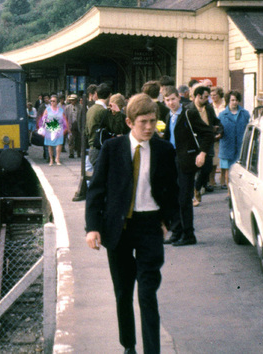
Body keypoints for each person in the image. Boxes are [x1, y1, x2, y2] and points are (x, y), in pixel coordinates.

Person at [85, 93, 179, 354]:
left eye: (152, 121)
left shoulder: (163, 150)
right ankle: (128, 345)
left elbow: (173, 190)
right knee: (123, 293)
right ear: (129, 122)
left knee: (147, 294)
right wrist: (92, 227)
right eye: (143, 122)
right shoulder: (112, 149)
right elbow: (96, 191)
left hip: (150, 227)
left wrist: (167, 221)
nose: (149, 127)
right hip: (119, 230)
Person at [162, 86, 214, 246]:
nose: (171, 102)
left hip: (186, 160)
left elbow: (207, 132)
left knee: (184, 198)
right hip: (173, 161)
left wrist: (203, 153)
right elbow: (168, 137)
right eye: (167, 100)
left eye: (173, 99)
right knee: (174, 198)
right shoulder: (168, 116)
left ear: (179, 98)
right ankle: (177, 232)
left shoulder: (188, 113)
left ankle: (189, 234)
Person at [73, 83, 112, 201]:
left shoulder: (91, 109)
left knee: (92, 170)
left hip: (92, 144)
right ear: (109, 95)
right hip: (100, 145)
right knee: (99, 173)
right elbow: (112, 128)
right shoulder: (103, 111)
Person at [218, 90, 250, 189]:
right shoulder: (222, 115)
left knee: (241, 171)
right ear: (228, 101)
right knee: (229, 171)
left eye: (236, 100)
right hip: (227, 146)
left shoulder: (245, 113)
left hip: (240, 146)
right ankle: (229, 192)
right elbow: (218, 129)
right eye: (232, 100)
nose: (235, 102)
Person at [39, 96, 69, 166]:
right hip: (50, 128)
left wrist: (66, 127)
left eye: (54, 101)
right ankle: (51, 159)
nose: (52, 102)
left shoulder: (61, 110)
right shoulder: (47, 109)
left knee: (59, 144)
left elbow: (64, 119)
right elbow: (43, 119)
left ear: (57, 102)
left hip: (58, 129)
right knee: (50, 145)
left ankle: (57, 158)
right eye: (51, 101)